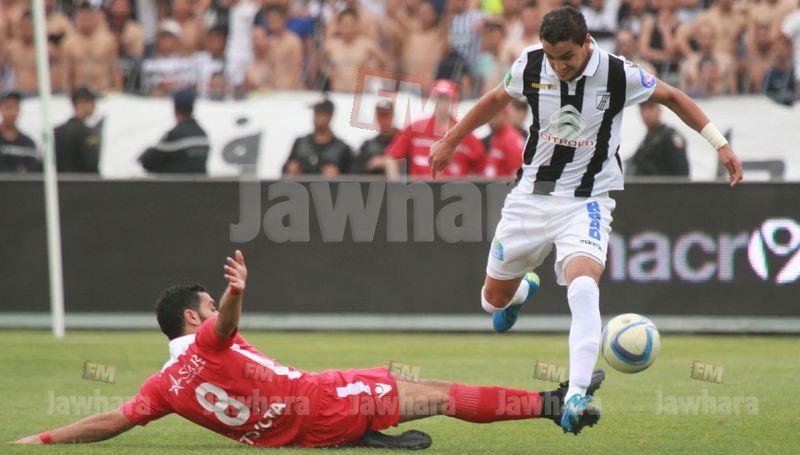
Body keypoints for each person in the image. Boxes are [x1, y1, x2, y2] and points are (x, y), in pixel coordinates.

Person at [428, 6, 742, 434]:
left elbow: (671, 97)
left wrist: (719, 144)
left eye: (567, 57)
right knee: (492, 301)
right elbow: (496, 99)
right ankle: (521, 291)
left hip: (587, 202)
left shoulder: (618, 73)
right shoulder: (530, 65)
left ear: (587, 44)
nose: (559, 66)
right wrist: (450, 140)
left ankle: (576, 393)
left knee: (583, 286)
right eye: (552, 57)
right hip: (530, 198)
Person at [11, 249, 606, 448]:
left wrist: (43, 438)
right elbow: (222, 330)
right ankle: (553, 406)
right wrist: (236, 293)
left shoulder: (163, 386)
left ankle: (362, 437)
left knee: (396, 388)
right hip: (322, 402)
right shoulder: (208, 341)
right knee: (443, 395)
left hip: (301, 426)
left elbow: (112, 421)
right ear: (193, 318)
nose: (216, 311)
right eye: (209, 305)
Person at [385, 80, 485, 178]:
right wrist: (396, 184)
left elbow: (481, 166)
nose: (442, 103)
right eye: (439, 98)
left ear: (454, 100)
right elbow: (391, 157)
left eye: (446, 99)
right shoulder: (416, 127)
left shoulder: (464, 131)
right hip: (420, 187)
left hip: (452, 187)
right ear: (433, 98)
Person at [139, 89, 209, 174]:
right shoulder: (203, 135)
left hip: (175, 182)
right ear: (192, 108)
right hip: (199, 183)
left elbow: (148, 163)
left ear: (175, 109)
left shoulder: (174, 136)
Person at [61, 3, 122, 93]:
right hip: (79, 94)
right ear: (77, 20)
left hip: (103, 91)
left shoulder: (108, 41)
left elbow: (115, 70)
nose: (86, 23)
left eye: (89, 18)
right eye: (83, 19)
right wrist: (66, 94)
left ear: (95, 18)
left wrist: (118, 92)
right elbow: (65, 74)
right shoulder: (68, 44)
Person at [321, 8, 386, 93]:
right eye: (345, 25)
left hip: (359, 94)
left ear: (357, 26)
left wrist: (374, 77)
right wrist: (330, 73)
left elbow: (384, 61)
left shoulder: (367, 45)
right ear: (339, 26)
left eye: (352, 25)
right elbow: (319, 63)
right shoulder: (330, 46)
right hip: (337, 93)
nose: (348, 29)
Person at [283, 99, 352, 176]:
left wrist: (338, 176)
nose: (317, 117)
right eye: (315, 112)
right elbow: (284, 170)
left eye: (321, 113)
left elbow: (352, 176)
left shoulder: (342, 148)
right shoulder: (300, 143)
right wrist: (290, 169)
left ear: (330, 116)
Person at [625, 100, 689, 177]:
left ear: (659, 109)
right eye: (643, 109)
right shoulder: (646, 141)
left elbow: (682, 175)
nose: (647, 114)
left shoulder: (670, 137)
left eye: (651, 107)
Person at [54, 87, 101, 173]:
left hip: (59, 180)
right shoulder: (87, 133)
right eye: (91, 102)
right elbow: (91, 164)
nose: (94, 106)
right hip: (81, 180)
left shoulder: (57, 131)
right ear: (81, 103)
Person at [353, 100, 398, 175]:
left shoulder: (403, 141)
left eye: (386, 115)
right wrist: (371, 165)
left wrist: (386, 161)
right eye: (380, 115)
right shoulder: (368, 145)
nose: (383, 120)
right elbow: (356, 169)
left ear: (392, 115)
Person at [0, 91, 41, 173]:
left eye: (16, 108)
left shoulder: (28, 143)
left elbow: (32, 171)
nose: (12, 113)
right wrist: (17, 170)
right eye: (9, 107)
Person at [482, 107, 524, 179]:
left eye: (494, 116)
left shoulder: (511, 139)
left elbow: (517, 174)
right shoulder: (497, 136)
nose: (491, 121)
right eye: (489, 116)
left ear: (505, 116)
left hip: (503, 185)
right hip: (492, 183)